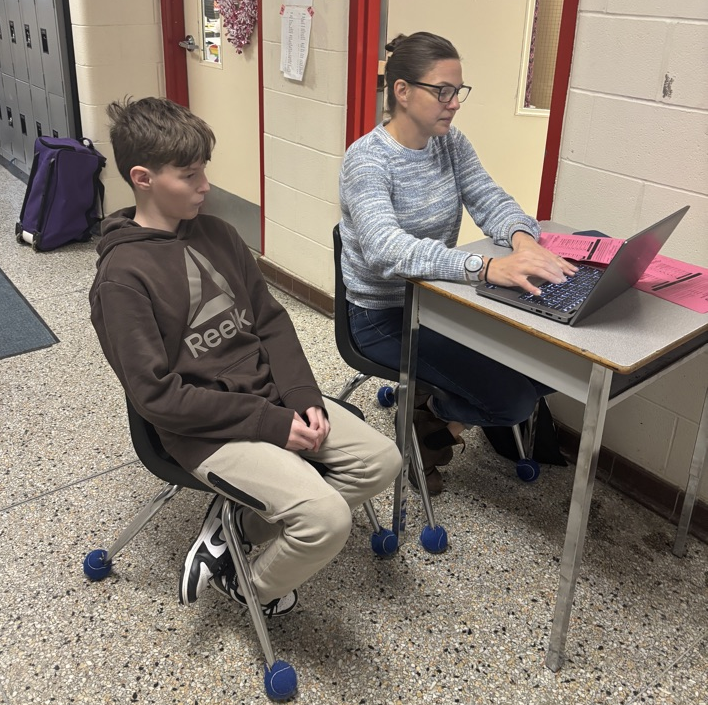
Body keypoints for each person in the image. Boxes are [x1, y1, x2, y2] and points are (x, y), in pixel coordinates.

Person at [90, 97, 401, 618]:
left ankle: (238, 526)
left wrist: (301, 396)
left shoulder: (219, 234)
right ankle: (246, 585)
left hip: (268, 398)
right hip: (204, 431)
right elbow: (158, 397)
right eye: (189, 175)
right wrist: (271, 424)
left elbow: (271, 322)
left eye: (203, 169)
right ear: (143, 178)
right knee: (327, 520)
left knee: (380, 461)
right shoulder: (121, 279)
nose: (205, 185)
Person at [338, 33, 576, 495]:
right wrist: (485, 268)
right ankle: (433, 422)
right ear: (402, 91)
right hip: (381, 317)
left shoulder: (449, 143)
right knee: (512, 402)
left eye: (458, 91)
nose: (454, 103)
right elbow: (386, 249)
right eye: (442, 91)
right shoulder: (366, 160)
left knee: (553, 367)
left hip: (437, 302)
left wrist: (524, 241)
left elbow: (489, 199)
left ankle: (433, 412)